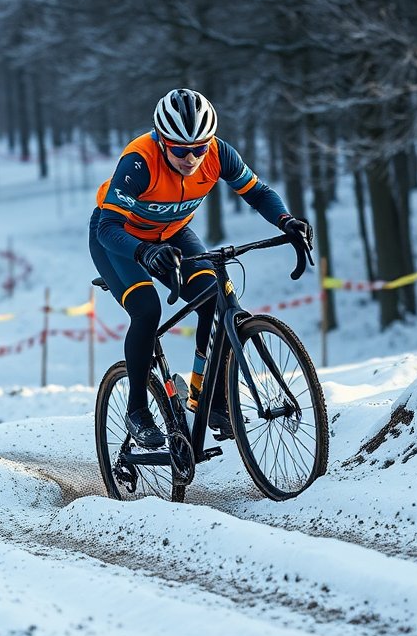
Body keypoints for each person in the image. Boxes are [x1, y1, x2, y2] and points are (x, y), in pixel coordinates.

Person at [88, 88, 312, 449]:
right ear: (163, 142)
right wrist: (145, 252)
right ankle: (137, 410)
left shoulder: (219, 153)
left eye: (199, 148)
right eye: (180, 150)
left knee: (213, 296)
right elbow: (108, 228)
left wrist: (287, 221)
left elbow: (258, 192)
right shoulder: (139, 161)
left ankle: (210, 398)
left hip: (173, 233)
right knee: (147, 310)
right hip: (119, 238)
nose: (191, 158)